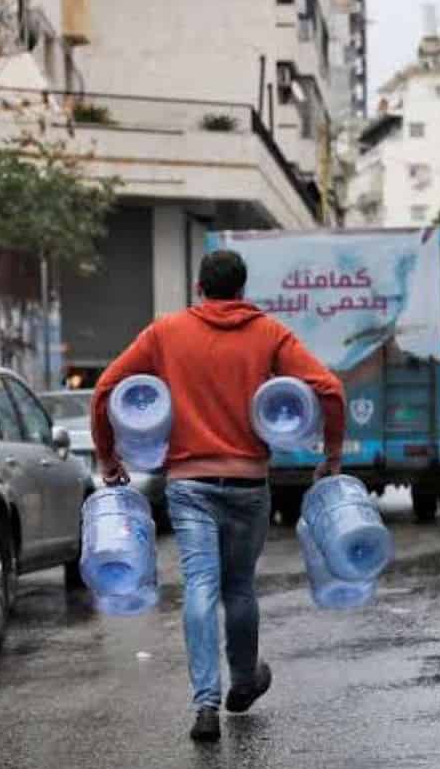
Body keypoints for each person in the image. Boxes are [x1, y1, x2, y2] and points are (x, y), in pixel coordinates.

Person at [90, 249, 346, 743]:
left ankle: (206, 704)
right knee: (239, 589)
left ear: (199, 289)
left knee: (201, 588)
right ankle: (245, 680)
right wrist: (332, 455)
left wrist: (108, 457)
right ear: (243, 290)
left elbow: (106, 389)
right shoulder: (268, 333)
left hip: (189, 485)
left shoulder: (166, 333)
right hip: (248, 481)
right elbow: (329, 388)